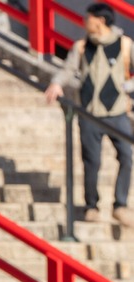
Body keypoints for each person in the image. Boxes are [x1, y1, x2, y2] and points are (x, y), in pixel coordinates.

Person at [44, 2, 134, 227]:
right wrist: (56, 84)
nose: (85, 23)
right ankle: (91, 205)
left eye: (88, 19)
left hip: (117, 112)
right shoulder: (82, 46)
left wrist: (128, 87)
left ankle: (120, 205)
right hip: (89, 113)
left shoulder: (125, 45)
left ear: (101, 20)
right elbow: (68, 69)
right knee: (91, 162)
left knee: (126, 155)